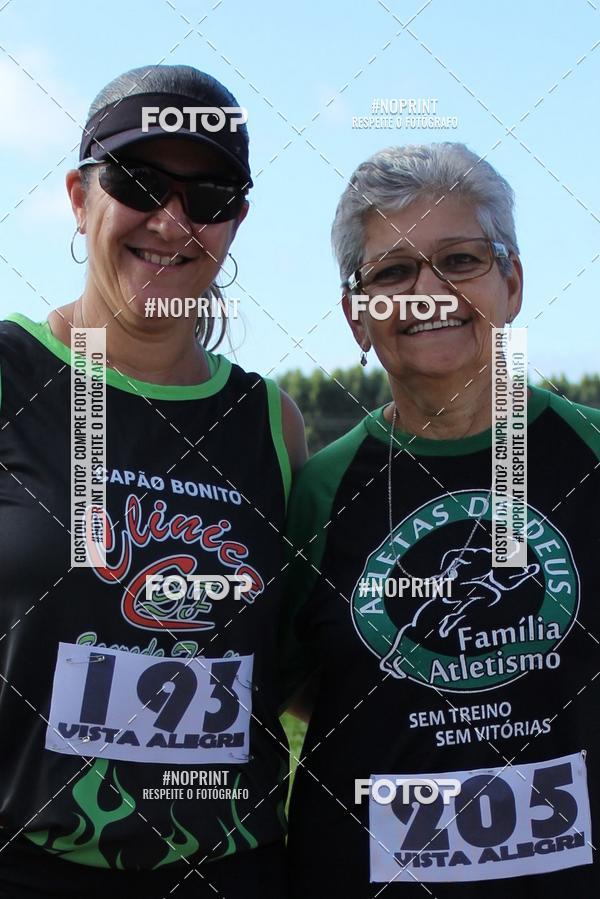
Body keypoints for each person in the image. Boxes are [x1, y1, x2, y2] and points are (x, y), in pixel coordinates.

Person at [0, 64, 306, 898]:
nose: (173, 221)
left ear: (236, 220)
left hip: (230, 870)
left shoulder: (272, 423)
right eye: (139, 181)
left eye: (209, 197)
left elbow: (305, 667)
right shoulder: (12, 371)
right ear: (77, 194)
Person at [282, 142, 600, 897]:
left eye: (459, 260)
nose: (428, 292)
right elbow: (293, 683)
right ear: (358, 317)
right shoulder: (317, 491)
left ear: (511, 281)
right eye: (393, 272)